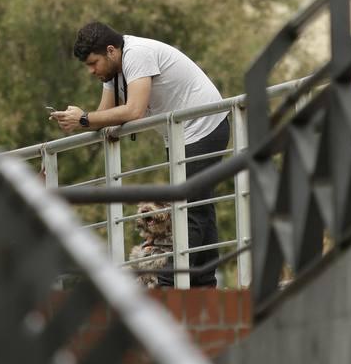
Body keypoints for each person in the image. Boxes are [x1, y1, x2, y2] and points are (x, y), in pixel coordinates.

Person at [52, 21, 228, 287]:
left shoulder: (137, 54)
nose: (91, 71)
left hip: (204, 126)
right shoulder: (112, 72)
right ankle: (204, 284)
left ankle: (169, 285)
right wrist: (77, 119)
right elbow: (105, 117)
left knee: (188, 208)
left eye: (93, 63)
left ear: (111, 51)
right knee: (199, 207)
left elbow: (133, 110)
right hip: (182, 135)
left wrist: (85, 119)